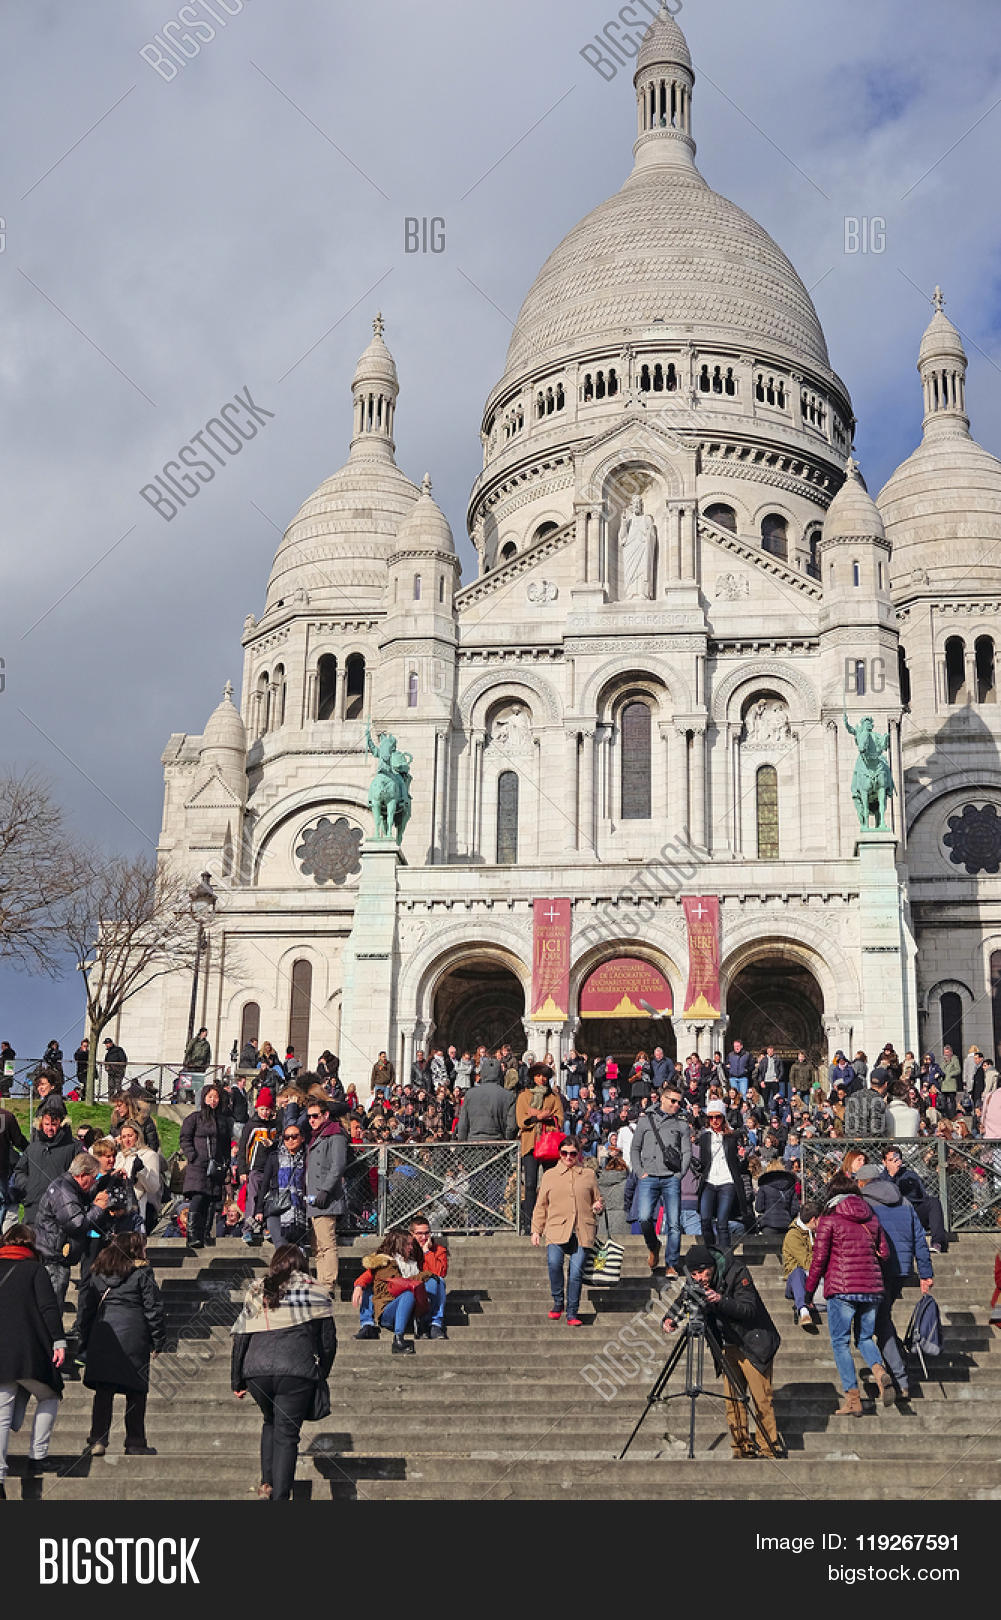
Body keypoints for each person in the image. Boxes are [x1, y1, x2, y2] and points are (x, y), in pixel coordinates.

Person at [231, 1242, 337, 1498]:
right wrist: (321, 1371)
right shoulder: (315, 1290)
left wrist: (237, 1379)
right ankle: (280, 1496)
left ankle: (267, 1483)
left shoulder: (257, 1289)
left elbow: (241, 1337)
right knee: (287, 1435)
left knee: (270, 1422)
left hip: (256, 1369)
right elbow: (328, 1341)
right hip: (295, 1369)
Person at [661, 1244, 782, 1459]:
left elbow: (748, 1308)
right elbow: (683, 1299)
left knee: (761, 1398)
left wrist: (720, 1300)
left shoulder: (736, 1272)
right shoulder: (694, 1280)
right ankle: (742, 1447)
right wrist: (670, 1318)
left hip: (753, 1342)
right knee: (732, 1399)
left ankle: (769, 1447)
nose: (699, 1278)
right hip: (726, 1345)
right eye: (695, 1274)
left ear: (712, 1267)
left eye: (703, 1272)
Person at [804, 1170, 892, 1414]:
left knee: (840, 1342)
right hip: (872, 1287)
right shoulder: (871, 1218)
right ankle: (879, 1371)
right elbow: (884, 1253)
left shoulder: (828, 1220)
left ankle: (853, 1399)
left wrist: (808, 1293)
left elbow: (819, 1259)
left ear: (832, 1195)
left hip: (842, 1288)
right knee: (864, 1338)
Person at [78, 1232, 165, 1457]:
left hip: (103, 1332)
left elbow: (87, 1309)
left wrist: (84, 1340)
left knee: (104, 1391)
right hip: (134, 1335)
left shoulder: (98, 1271)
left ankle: (97, 1439)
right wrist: (158, 1339)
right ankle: (135, 1441)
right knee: (136, 1390)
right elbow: (153, 1307)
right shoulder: (143, 1272)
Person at [855, 1162, 934, 1402]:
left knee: (879, 1323)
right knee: (883, 1318)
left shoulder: (863, 1204)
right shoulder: (904, 1201)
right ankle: (897, 1374)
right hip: (901, 1269)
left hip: (876, 1269)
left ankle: (899, 1378)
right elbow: (920, 1238)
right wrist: (925, 1272)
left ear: (862, 1182)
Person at [0, 1224, 65, 1495]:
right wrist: (59, 1341)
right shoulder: (35, 1270)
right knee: (50, 1396)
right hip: (28, 1354)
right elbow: (49, 1308)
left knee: (1, 1416)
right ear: (30, 1245)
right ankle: (37, 1456)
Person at [531, 1138, 603, 1326]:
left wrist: (597, 1206)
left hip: (582, 1229)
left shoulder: (588, 1174)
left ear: (578, 1153)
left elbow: (598, 1200)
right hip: (556, 1227)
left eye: (573, 1153)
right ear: (559, 1153)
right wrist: (536, 1230)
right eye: (564, 1153)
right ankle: (558, 1301)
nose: (569, 1157)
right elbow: (541, 1205)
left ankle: (572, 1311)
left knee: (576, 1273)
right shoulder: (549, 1175)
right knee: (554, 1263)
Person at [33, 1152, 113, 1321]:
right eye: (93, 1177)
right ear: (82, 1174)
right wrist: (98, 1208)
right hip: (54, 1258)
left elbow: (84, 1196)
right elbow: (76, 1225)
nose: (93, 1182)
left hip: (57, 1254)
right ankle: (51, 1344)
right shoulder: (64, 1190)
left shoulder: (69, 1186)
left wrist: (108, 1179)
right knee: (52, 1308)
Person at [629, 1082, 690, 1277]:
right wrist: (639, 1171)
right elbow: (634, 1148)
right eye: (673, 1101)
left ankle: (671, 1263)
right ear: (662, 1099)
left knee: (674, 1223)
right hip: (648, 1176)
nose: (676, 1105)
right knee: (644, 1217)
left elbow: (687, 1151)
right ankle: (653, 1245)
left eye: (679, 1102)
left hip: (670, 1177)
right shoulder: (646, 1120)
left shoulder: (681, 1123)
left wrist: (679, 1174)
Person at [354, 1231, 434, 1353]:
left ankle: (431, 1323)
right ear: (399, 1245)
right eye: (408, 1244)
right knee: (407, 1294)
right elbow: (398, 1282)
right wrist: (359, 1286)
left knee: (435, 1283)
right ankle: (395, 1337)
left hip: (405, 1309)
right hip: (388, 1310)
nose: (411, 1247)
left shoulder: (412, 1262)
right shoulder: (385, 1263)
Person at [179, 1082, 233, 1250]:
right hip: (198, 1165)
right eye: (210, 1097)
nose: (213, 1100)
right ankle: (192, 1234)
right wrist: (192, 1156)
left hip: (215, 1166)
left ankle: (204, 1233)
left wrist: (226, 1163)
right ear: (203, 1098)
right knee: (198, 1197)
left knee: (211, 1200)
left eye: (216, 1097)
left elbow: (225, 1143)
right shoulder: (194, 1118)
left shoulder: (223, 1121)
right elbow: (185, 1139)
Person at [304, 1096, 348, 1293]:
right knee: (317, 1245)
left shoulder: (335, 1134)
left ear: (326, 1115)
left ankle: (328, 1284)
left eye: (315, 1116)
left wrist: (326, 1189)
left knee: (327, 1243)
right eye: (309, 1117)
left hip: (326, 1198)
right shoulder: (317, 1135)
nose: (311, 1120)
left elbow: (338, 1165)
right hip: (313, 1198)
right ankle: (323, 1282)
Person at [10, 1112, 80, 1231]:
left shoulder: (74, 1147)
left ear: (61, 1124)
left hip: (59, 1211)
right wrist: (28, 1186)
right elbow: (19, 1170)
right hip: (33, 1209)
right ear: (41, 1125)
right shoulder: (32, 1147)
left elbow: (81, 1173)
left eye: (54, 1124)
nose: (50, 1128)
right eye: (46, 1124)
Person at [694, 1099, 749, 1248]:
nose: (714, 1121)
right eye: (711, 1117)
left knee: (722, 1222)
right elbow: (703, 1162)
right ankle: (711, 1251)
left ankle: (725, 1257)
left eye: (717, 1117)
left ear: (723, 1117)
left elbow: (740, 1165)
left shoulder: (732, 1136)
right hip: (709, 1181)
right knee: (705, 1219)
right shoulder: (705, 1137)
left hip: (727, 1181)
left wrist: (743, 1157)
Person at [516, 1066, 564, 1229]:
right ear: (533, 1077)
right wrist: (539, 1116)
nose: (541, 1079)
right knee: (530, 1184)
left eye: (544, 1076)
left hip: (548, 1144)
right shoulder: (524, 1096)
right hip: (530, 1144)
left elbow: (560, 1119)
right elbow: (521, 1120)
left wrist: (538, 1116)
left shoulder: (553, 1097)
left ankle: (551, 1220)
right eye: (538, 1076)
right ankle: (530, 1223)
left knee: (550, 1183)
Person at [878, 1144, 948, 1252]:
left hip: (913, 1211)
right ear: (884, 1162)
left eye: (896, 1159)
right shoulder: (881, 1178)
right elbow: (886, 1197)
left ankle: (937, 1242)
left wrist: (909, 1186)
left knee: (933, 1202)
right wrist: (892, 1176)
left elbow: (921, 1196)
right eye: (890, 1160)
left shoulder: (909, 1175)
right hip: (894, 1215)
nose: (894, 1162)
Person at [255, 1120, 308, 1250]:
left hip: (299, 1208)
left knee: (295, 1249)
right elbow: (265, 1183)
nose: (290, 1140)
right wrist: (259, 1209)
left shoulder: (307, 1157)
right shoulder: (274, 1157)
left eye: (294, 1136)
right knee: (281, 1247)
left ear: (302, 1138)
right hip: (276, 1206)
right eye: (286, 1137)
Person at [237, 1088, 279, 1246]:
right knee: (252, 1199)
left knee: (268, 1199)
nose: (265, 1112)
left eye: (268, 1109)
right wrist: (243, 1170)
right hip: (255, 1168)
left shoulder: (274, 1126)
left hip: (271, 1169)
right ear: (257, 1108)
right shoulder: (251, 1125)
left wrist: (272, 1143)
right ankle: (248, 1228)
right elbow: (243, 1148)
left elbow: (279, 1143)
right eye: (262, 1109)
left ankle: (265, 1227)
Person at [114, 1124, 162, 1234]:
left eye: (130, 1136)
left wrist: (141, 1170)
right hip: (118, 1206)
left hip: (137, 1206)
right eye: (123, 1137)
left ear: (138, 1136)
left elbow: (153, 1187)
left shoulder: (149, 1155)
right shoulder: (119, 1156)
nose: (127, 1140)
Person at [782, 1203, 819, 1326]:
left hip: (815, 1279)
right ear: (814, 1219)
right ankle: (803, 1310)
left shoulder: (817, 1234)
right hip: (796, 1282)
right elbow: (806, 1263)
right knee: (797, 1272)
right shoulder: (793, 1235)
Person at [456, 1069, 517, 1141]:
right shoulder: (508, 1096)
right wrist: (507, 1140)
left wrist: (462, 1143)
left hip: (473, 1142)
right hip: (498, 1142)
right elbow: (511, 1127)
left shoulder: (470, 1094)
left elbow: (463, 1124)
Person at [754, 1156, 800, 1240]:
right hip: (786, 1223)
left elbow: (758, 1208)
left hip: (768, 1224)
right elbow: (795, 1208)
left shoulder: (764, 1187)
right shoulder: (789, 1187)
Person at [0, 1103, 28, 1235]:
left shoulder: (6, 1117)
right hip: (2, 1173)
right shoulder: (6, 1117)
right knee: (5, 1207)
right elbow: (20, 1142)